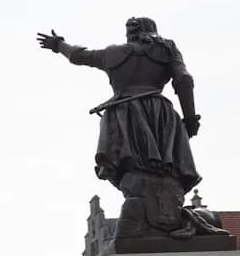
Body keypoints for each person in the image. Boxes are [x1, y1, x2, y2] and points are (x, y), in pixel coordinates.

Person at [37, 18, 224, 240]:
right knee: (168, 168)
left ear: (129, 34)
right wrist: (190, 118)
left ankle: (150, 215)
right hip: (160, 114)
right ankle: (164, 213)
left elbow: (79, 55)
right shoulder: (167, 49)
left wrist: (59, 45)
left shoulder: (113, 53)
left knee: (132, 169)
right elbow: (184, 79)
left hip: (124, 115)